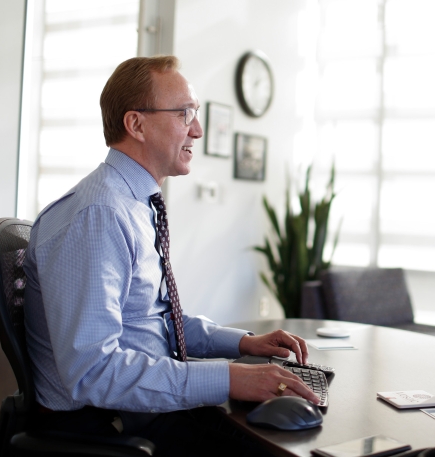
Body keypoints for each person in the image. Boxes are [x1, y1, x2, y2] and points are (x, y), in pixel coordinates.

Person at [23, 55, 319, 455]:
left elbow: (156, 322)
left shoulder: (133, 203)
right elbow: (91, 371)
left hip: (138, 405)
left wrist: (244, 344)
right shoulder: (100, 215)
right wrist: (229, 378)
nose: (197, 129)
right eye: (184, 113)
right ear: (136, 124)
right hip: (108, 423)